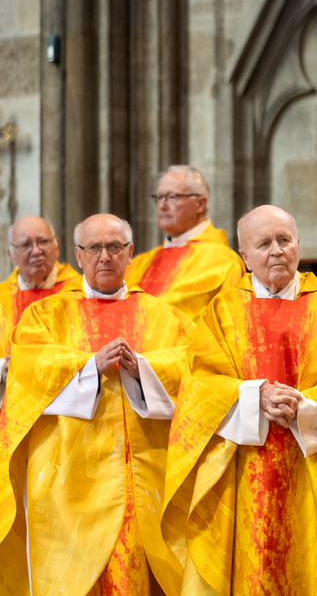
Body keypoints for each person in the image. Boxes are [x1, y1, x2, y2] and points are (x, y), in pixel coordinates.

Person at [0, 214, 194, 596]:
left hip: (143, 476)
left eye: (114, 247)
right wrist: (90, 366)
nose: (105, 257)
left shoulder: (164, 315)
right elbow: (28, 372)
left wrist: (143, 367)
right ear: (77, 255)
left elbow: (193, 368)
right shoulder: (46, 315)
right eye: (94, 248)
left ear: (130, 253)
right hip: (69, 479)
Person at [160, 205, 317, 596]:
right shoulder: (222, 311)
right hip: (241, 470)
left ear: (298, 244)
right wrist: (253, 395)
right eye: (264, 244)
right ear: (244, 256)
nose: (276, 250)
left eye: (284, 240)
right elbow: (198, 385)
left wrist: (306, 405)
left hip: (314, 468)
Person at [125, 165, 244, 320]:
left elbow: (230, 323)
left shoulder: (225, 263)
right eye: (159, 197)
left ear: (200, 204)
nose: (162, 206)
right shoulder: (138, 263)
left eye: (172, 197)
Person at [0, 215, 81, 395]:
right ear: (11, 255)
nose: (36, 251)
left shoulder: (79, 292)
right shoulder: (2, 297)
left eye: (43, 242)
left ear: (57, 246)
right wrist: (3, 369)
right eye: (26, 245)